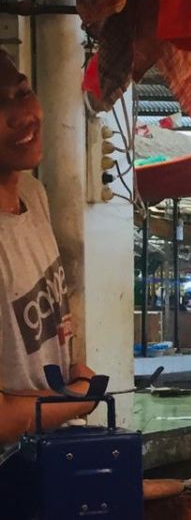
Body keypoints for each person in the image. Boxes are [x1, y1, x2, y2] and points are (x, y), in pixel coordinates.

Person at [0, 51, 95, 443]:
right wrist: (81, 396)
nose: (22, 115)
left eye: (22, 93)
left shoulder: (34, 195)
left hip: (50, 457)